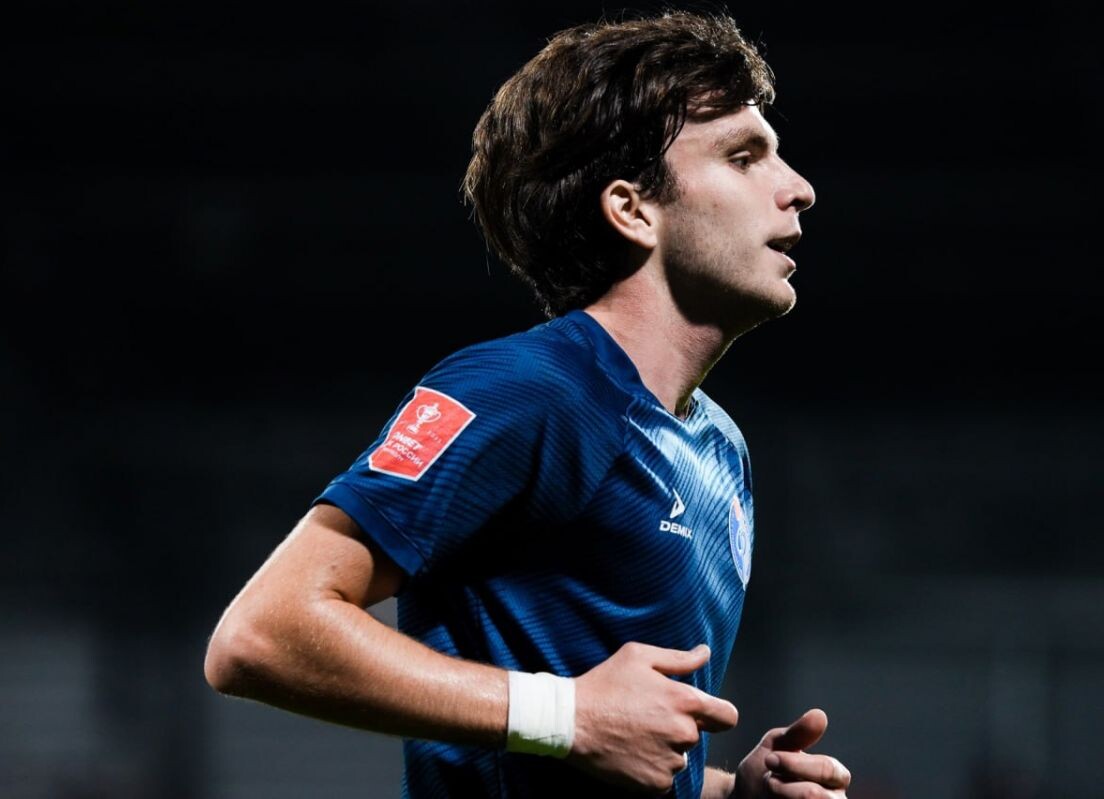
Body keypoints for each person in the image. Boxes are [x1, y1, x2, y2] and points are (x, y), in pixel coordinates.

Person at [205, 10, 851, 798]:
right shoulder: (525, 388)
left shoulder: (720, 446)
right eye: (743, 157)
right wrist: (567, 713)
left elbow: (608, 742)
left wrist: (725, 791)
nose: (798, 188)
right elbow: (261, 634)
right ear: (633, 209)